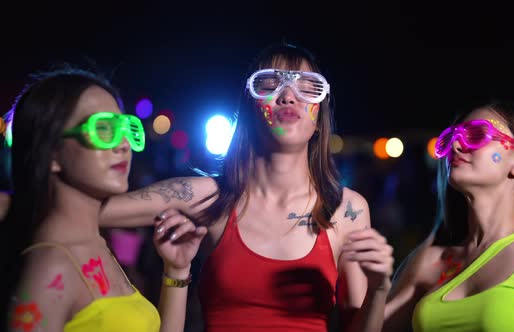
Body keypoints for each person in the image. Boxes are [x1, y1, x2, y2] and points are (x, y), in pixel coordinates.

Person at [98, 42, 395, 331]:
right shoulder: (210, 198)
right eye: (268, 84)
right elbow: (84, 214)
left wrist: (379, 290)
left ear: (319, 120)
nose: (288, 96)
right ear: (249, 109)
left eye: (307, 87)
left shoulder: (346, 209)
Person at [0, 67, 202, 332]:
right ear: (52, 153)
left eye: (125, 129)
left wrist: (176, 271)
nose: (123, 144)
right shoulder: (50, 267)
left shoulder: (97, 245)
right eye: (104, 129)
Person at [382, 102, 514, 331]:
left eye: (477, 134)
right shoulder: (431, 260)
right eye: (452, 137)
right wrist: (376, 286)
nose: (457, 144)